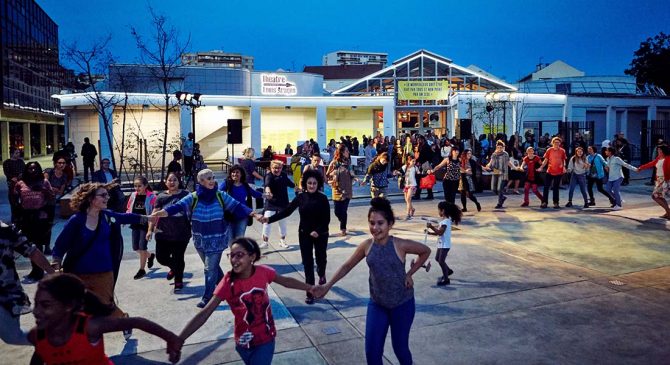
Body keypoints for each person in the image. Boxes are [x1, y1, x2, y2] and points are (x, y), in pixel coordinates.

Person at [312, 198, 431, 365]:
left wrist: (410, 273)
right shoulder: (367, 246)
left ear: (390, 224)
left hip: (402, 304)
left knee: (400, 348)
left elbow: (425, 251)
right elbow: (347, 266)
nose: (375, 228)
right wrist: (327, 285)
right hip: (378, 304)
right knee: (372, 352)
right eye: (372, 223)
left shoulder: (400, 244)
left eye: (380, 223)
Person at [176, 237, 315, 365]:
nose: (234, 260)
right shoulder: (228, 283)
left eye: (240, 255)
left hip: (265, 338)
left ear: (252, 257)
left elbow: (285, 281)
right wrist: (179, 339)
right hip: (243, 341)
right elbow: (205, 313)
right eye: (231, 255)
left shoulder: (263, 272)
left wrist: (311, 288)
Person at [52, 182, 155, 340]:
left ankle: (124, 320)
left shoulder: (107, 216)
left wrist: (147, 218)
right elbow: (60, 245)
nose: (107, 197)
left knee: (105, 305)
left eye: (107, 195)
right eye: (103, 195)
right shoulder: (76, 220)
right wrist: (56, 263)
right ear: (91, 199)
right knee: (79, 307)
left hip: (104, 271)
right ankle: (88, 339)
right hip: (77, 273)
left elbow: (125, 217)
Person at [152, 169, 261, 308]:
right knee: (212, 267)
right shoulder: (194, 197)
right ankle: (232, 289)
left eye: (213, 177)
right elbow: (178, 206)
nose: (212, 180)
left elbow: (238, 206)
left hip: (217, 239)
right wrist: (161, 213)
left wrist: (254, 214)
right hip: (200, 240)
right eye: (208, 178)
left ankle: (208, 296)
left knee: (209, 269)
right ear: (201, 181)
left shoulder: (220, 195)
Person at [29, 273, 182, 364]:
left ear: (68, 306)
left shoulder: (89, 327)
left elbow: (136, 322)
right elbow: (42, 355)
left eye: (45, 305)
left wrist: (171, 339)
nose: (36, 311)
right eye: (35, 304)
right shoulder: (37, 336)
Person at [262, 170, 330, 304]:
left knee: (321, 258)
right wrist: (269, 220)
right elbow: (286, 211)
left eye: (314, 183)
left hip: (320, 234)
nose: (311, 185)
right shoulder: (301, 197)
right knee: (307, 263)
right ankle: (310, 291)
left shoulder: (323, 198)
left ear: (318, 184)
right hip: (304, 233)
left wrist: (318, 231)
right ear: (305, 184)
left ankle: (321, 273)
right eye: (309, 183)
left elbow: (326, 218)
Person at [0, 221, 54, 346]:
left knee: (13, 336)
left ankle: (53, 342)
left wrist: (52, 272)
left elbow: (32, 251)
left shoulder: (6, 231)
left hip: (4, 294)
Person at [147, 172, 191, 292]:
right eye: (170, 180)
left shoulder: (186, 195)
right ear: (165, 182)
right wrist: (150, 230)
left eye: (175, 180)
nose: (172, 182)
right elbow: (154, 215)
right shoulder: (160, 197)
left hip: (181, 233)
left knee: (178, 257)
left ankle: (178, 280)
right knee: (161, 258)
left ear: (179, 181)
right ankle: (174, 268)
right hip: (163, 233)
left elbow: (193, 209)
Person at [15, 162, 54, 282]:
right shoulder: (20, 183)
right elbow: (14, 198)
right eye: (30, 169)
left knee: (37, 245)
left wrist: (43, 190)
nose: (33, 171)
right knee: (29, 245)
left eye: (35, 168)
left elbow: (51, 198)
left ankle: (38, 272)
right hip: (26, 217)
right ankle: (34, 270)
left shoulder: (44, 182)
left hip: (40, 217)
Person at [220, 165, 263, 243]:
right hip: (229, 216)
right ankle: (234, 253)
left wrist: (265, 195)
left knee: (239, 239)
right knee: (230, 239)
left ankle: (236, 253)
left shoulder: (245, 185)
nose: (235, 174)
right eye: (233, 172)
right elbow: (218, 194)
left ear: (241, 174)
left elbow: (254, 193)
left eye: (237, 172)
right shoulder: (226, 184)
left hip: (242, 216)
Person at [126, 176, 157, 280]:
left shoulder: (152, 197)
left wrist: (150, 229)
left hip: (145, 224)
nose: (137, 188)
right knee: (136, 247)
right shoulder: (133, 195)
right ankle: (150, 256)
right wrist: (125, 218)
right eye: (135, 186)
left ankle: (141, 269)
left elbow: (154, 213)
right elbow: (129, 208)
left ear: (145, 186)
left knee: (142, 247)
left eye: (139, 186)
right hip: (135, 222)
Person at [426, 201, 462, 286]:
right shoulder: (444, 221)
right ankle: (448, 270)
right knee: (437, 258)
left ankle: (446, 279)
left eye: (439, 210)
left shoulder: (445, 221)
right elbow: (440, 232)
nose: (438, 212)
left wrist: (431, 227)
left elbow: (440, 232)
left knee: (441, 261)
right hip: (441, 243)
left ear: (443, 211)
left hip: (445, 245)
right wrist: (430, 233)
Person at [262, 160, 295, 249]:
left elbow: (290, 184)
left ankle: (282, 241)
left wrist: (298, 188)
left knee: (282, 223)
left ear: (281, 168)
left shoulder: (283, 175)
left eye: (279, 168)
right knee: (266, 222)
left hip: (283, 203)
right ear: (271, 168)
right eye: (274, 168)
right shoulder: (269, 176)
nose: (277, 170)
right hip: (271, 203)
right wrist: (268, 192)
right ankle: (265, 242)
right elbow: (267, 185)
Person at [326, 144, 358, 236]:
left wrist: (355, 178)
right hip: (337, 189)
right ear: (342, 152)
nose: (348, 153)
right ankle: (342, 220)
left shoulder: (348, 163)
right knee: (337, 211)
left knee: (343, 211)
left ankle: (343, 228)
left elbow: (351, 172)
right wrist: (332, 176)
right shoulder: (334, 163)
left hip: (347, 189)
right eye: (347, 151)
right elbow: (327, 174)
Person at [637, 145, 670, 218]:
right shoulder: (658, 158)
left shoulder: (668, 158)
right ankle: (668, 212)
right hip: (659, 179)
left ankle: (668, 212)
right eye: (658, 150)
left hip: (665, 180)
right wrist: (641, 168)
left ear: (663, 151)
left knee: (655, 196)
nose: (658, 151)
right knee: (660, 197)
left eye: (660, 150)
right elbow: (651, 164)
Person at [483, 141, 515, 209]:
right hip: (495, 173)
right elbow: (490, 162)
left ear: (503, 147)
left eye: (501, 147)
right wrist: (488, 165)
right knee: (493, 189)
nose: (500, 149)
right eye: (498, 147)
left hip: (503, 174)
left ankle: (499, 203)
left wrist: (514, 167)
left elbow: (508, 162)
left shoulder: (505, 154)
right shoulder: (494, 154)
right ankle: (502, 197)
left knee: (499, 189)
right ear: (496, 147)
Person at [539, 137, 567, 209]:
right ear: (552, 143)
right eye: (555, 142)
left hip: (559, 171)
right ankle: (544, 202)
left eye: (558, 142)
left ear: (560, 143)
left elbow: (564, 160)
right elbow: (545, 160)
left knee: (556, 187)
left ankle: (556, 203)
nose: (556, 144)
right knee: (546, 187)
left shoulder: (562, 151)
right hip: (550, 171)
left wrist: (564, 167)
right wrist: (541, 167)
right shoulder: (549, 150)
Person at [3, 148, 25, 223]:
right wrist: (14, 177)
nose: (18, 154)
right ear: (12, 154)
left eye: (19, 153)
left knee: (23, 202)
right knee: (14, 202)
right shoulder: (7, 162)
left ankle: (22, 218)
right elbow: (7, 173)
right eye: (16, 153)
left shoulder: (21, 161)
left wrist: (21, 176)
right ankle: (14, 219)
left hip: (22, 184)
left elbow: (24, 170)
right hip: (12, 184)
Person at [395, 155, 418, 220]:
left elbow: (419, 174)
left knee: (408, 199)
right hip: (406, 185)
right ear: (409, 161)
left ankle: (408, 214)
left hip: (412, 185)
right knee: (407, 200)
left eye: (415, 161)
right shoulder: (405, 167)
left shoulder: (415, 168)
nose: (414, 163)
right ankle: (412, 209)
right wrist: (396, 172)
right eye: (413, 161)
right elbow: (400, 172)